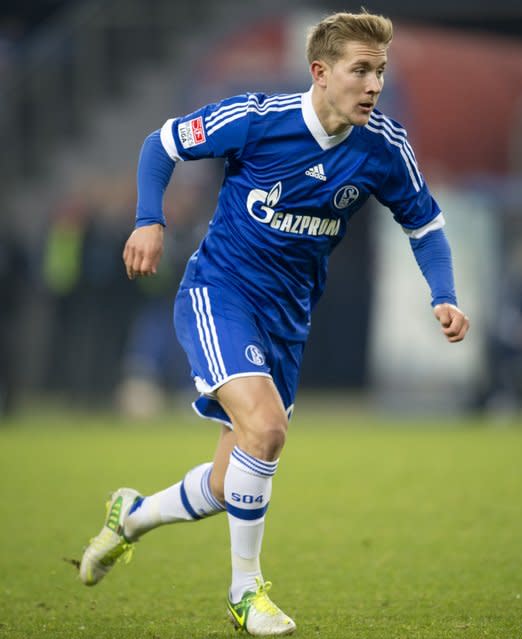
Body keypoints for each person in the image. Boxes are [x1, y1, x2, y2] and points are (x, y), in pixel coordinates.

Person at [76, 11, 469, 637]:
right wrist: (149, 219)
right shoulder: (258, 118)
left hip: (287, 321)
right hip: (221, 293)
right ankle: (245, 593)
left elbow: (425, 223)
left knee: (231, 477)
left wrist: (442, 294)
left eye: (381, 72)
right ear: (320, 72)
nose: (373, 85)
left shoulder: (384, 148)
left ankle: (132, 517)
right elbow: (162, 143)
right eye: (360, 70)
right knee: (266, 429)